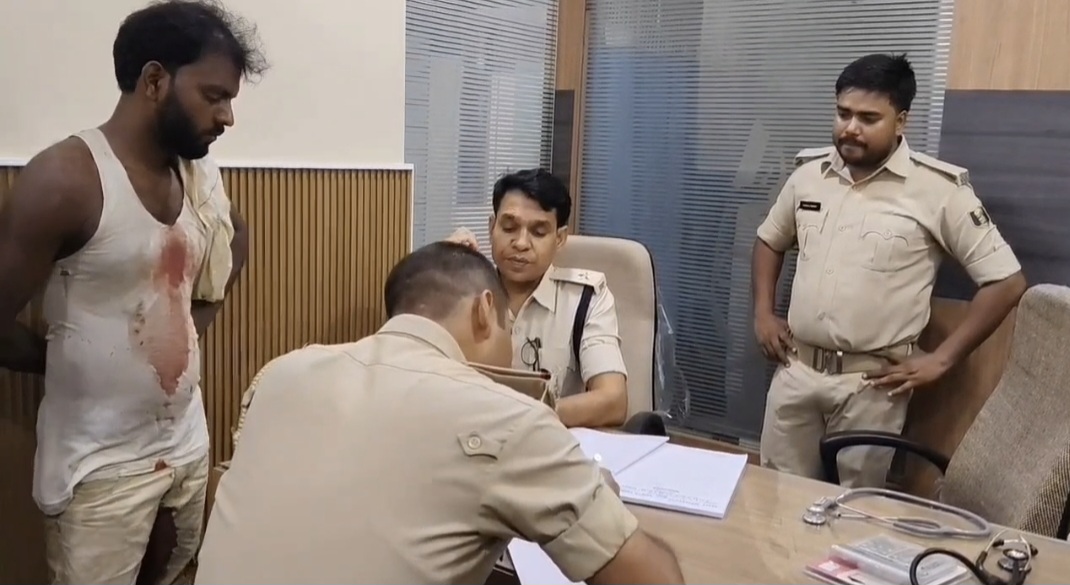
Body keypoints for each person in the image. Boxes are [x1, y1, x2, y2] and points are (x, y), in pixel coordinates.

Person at [195, 241, 684, 584]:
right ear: (484, 311)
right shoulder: (507, 416)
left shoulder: (281, 373)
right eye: (507, 327)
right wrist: (598, 499)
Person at [0, 1, 266, 582]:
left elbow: (234, 241)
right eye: (214, 96)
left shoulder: (199, 178)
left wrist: (186, 331)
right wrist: (62, 358)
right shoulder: (65, 179)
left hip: (186, 445)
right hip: (99, 468)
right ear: (154, 80)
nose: (226, 117)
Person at [752, 53, 1026, 488]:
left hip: (872, 386)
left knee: (854, 510)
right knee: (776, 501)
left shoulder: (938, 191)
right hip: (796, 372)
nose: (850, 128)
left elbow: (1006, 281)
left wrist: (942, 359)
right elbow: (770, 239)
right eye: (843, 113)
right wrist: (763, 313)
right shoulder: (809, 176)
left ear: (901, 122)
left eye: (868, 118)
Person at [447, 169, 629, 429]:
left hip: (550, 441)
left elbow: (613, 401)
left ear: (560, 238)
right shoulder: (463, 290)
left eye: (538, 232)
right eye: (509, 227)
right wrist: (439, 269)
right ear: (491, 227)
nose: (521, 243)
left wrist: (520, 416)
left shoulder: (585, 299)